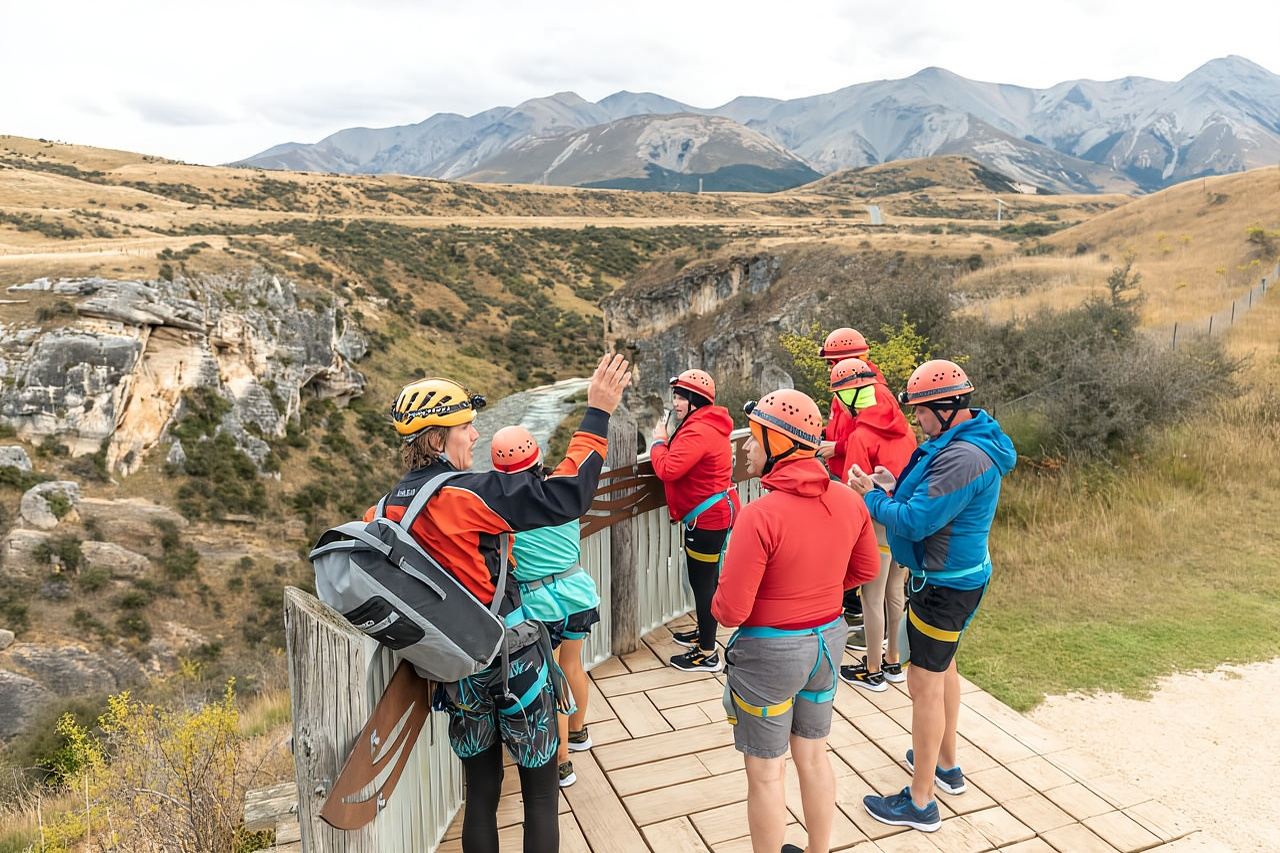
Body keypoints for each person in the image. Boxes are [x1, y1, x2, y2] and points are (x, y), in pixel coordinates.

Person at [368, 354, 630, 853]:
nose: (474, 437)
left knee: (482, 791)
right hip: (512, 658)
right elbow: (566, 495)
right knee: (539, 794)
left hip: (453, 667)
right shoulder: (466, 495)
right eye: (467, 428)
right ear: (439, 438)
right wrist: (598, 411)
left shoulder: (383, 511)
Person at [847, 360, 1016, 833]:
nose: (916, 419)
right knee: (945, 670)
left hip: (944, 586)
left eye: (921, 410)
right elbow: (929, 501)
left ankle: (920, 802)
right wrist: (889, 485)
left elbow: (918, 521)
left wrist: (869, 495)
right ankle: (945, 765)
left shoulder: (964, 457)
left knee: (923, 684)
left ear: (945, 408)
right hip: (960, 576)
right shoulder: (968, 442)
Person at [712, 389, 881, 853]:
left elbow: (730, 612)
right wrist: (819, 588)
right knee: (813, 754)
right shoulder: (848, 500)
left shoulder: (760, 515)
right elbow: (865, 570)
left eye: (755, 436)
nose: (746, 446)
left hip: (770, 655)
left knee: (767, 772)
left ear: (779, 443)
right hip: (828, 642)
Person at [490, 426, 600, 790]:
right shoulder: (561, 493)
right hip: (579, 593)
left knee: (549, 681)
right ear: (537, 458)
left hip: (541, 605)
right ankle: (580, 731)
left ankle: (562, 763)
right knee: (572, 665)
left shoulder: (508, 510)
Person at [828, 358, 918, 693]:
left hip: (878, 523)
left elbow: (853, 492)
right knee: (896, 592)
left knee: (871, 596)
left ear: (850, 399)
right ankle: (894, 661)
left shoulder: (862, 436)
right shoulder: (904, 427)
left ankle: (873, 669)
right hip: (903, 519)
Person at [650, 368, 740, 672]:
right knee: (706, 579)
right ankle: (705, 631)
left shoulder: (698, 430)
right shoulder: (706, 424)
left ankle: (706, 652)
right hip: (715, 511)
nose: (675, 403)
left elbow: (668, 470)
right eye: (675, 396)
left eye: (681, 397)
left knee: (703, 584)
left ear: (696, 400)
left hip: (707, 519)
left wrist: (658, 443)